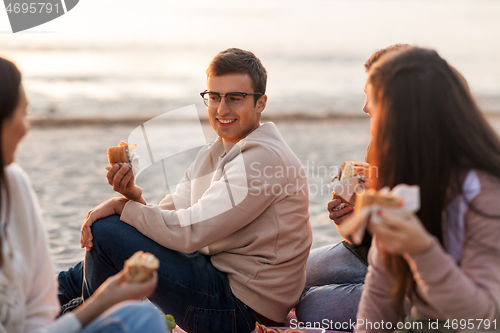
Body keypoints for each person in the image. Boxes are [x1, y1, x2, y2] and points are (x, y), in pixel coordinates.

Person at [58, 48, 312, 333]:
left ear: (260, 103)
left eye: (235, 98)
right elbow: (170, 216)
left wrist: (121, 209)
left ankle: (81, 322)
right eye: (214, 97)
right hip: (217, 281)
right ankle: (51, 307)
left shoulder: (264, 159)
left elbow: (189, 233)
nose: (222, 109)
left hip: (240, 311)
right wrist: (131, 196)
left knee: (106, 233)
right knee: (101, 246)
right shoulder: (215, 153)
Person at [0, 56, 167, 333]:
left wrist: (129, 197)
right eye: (19, 114)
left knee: (139, 314)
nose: (25, 127)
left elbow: (39, 315)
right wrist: (103, 301)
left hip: (51, 309)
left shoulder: (14, 184)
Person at [356, 46, 500, 331]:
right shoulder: (407, 176)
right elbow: (381, 289)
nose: (365, 109)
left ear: (403, 117)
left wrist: (421, 250)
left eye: (373, 100)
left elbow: (483, 320)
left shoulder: (483, 191)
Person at [295, 44, 407, 329]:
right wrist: (348, 218)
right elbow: (362, 236)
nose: (364, 107)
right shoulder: (378, 145)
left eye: (371, 97)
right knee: (287, 278)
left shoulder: (439, 153)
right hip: (369, 256)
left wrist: (375, 206)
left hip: (410, 275)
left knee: (310, 307)